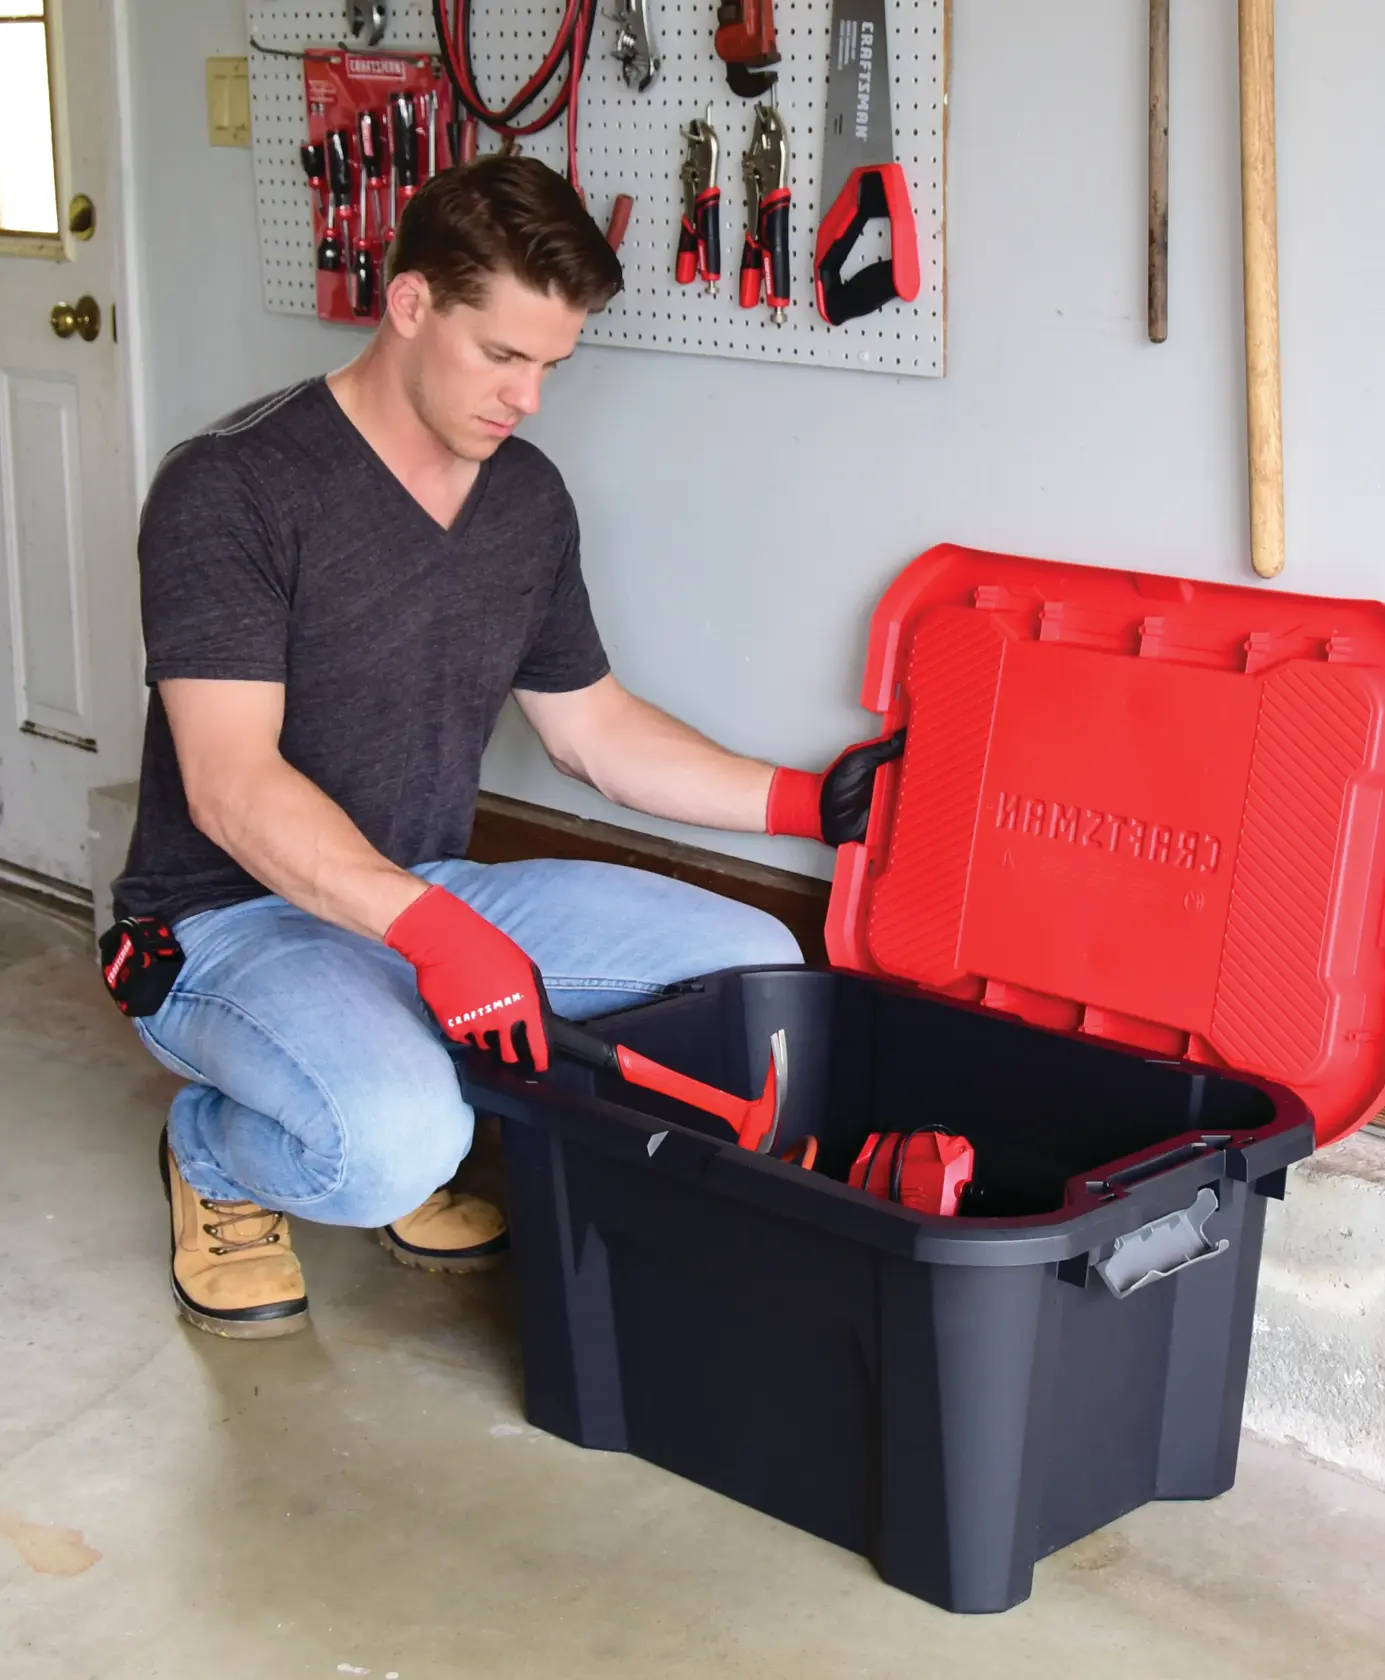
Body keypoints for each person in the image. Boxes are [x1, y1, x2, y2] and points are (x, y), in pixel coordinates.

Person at [111, 155, 899, 1341]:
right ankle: (217, 1156)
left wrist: (811, 806)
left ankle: (392, 1084)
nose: (526, 398)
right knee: (390, 1150)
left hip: (423, 888)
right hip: (225, 922)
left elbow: (594, 730)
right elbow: (231, 790)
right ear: (411, 302)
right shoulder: (236, 488)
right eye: (502, 356)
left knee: (749, 964)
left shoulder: (521, 496)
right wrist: (434, 937)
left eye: (550, 366)